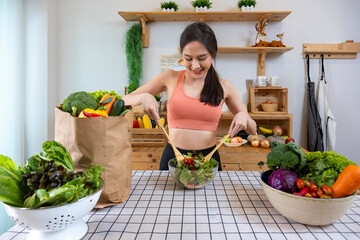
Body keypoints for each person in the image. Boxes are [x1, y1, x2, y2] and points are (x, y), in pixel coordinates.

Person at [123, 22, 257, 170]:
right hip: (173, 157)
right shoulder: (169, 78)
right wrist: (143, 97)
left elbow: (252, 130)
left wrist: (244, 117)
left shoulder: (224, 86)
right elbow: (124, 100)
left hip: (209, 159)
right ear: (181, 54)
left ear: (213, 53)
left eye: (202, 58)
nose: (195, 66)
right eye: (188, 58)